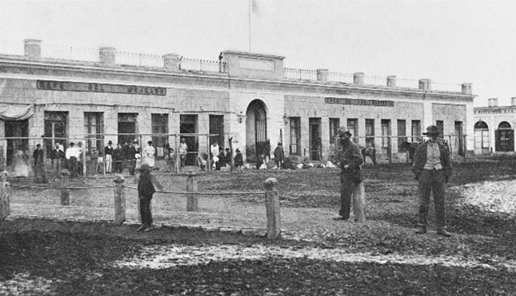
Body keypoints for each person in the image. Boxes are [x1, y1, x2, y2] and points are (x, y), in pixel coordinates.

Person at [412, 125, 453, 237]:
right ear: (427, 136)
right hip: (425, 173)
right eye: (430, 136)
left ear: (437, 136)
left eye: (434, 136)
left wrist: (445, 176)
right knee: (423, 202)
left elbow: (448, 164)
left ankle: (441, 228)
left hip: (439, 174)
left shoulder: (443, 148)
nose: (432, 138)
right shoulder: (421, 148)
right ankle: (421, 226)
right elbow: (415, 164)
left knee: (440, 202)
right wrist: (419, 175)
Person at [333, 126, 364, 221]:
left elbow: (360, 159)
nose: (342, 138)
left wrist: (349, 165)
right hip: (346, 174)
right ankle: (344, 214)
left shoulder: (353, 146)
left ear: (347, 136)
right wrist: (341, 163)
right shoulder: (344, 147)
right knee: (344, 194)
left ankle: (350, 216)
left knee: (350, 195)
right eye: (340, 136)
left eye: (343, 136)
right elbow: (346, 158)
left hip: (353, 174)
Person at [136, 162, 164, 232]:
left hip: (147, 193)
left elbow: (157, 183)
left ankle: (149, 225)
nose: (142, 172)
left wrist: (162, 189)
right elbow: (139, 185)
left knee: (146, 209)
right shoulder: (141, 176)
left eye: (143, 171)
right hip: (141, 194)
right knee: (142, 209)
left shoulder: (151, 176)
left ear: (146, 170)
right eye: (141, 171)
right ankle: (143, 223)